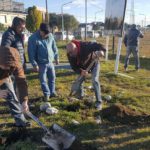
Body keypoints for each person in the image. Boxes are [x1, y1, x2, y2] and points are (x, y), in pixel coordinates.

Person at [66, 40, 106, 110]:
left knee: (94, 80)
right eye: (69, 53)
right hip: (83, 67)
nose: (70, 55)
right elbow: (74, 67)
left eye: (71, 53)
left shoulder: (85, 45)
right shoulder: (70, 54)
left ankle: (98, 102)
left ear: (76, 49)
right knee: (79, 81)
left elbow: (100, 45)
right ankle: (80, 97)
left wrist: (102, 50)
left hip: (94, 64)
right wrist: (80, 71)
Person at [0, 46, 30, 127]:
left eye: (9, 66)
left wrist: (24, 101)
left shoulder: (16, 63)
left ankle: (20, 120)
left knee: (11, 95)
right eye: (5, 65)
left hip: (4, 78)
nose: (7, 68)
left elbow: (22, 82)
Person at [28, 23, 59, 102]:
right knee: (43, 80)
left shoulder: (50, 35)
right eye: (44, 34)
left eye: (47, 34)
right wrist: (34, 64)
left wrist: (56, 57)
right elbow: (31, 53)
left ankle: (52, 92)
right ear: (40, 31)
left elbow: (54, 47)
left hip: (50, 62)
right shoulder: (33, 38)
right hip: (41, 64)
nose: (46, 36)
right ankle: (47, 94)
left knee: (52, 78)